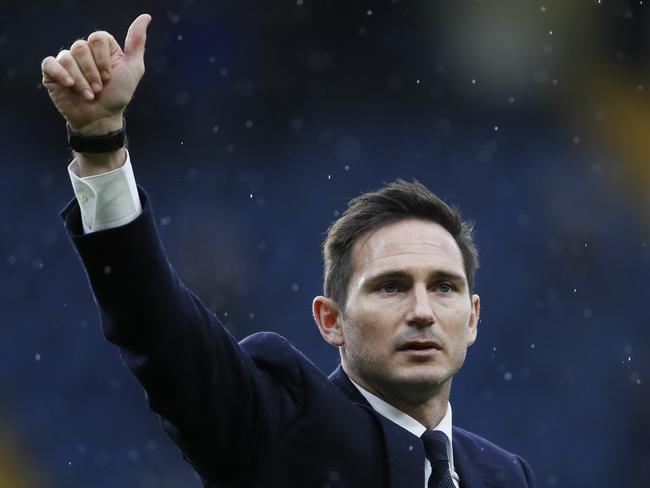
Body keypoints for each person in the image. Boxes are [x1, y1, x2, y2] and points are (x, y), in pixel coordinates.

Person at [42, 14, 535, 488]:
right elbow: (157, 325)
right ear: (331, 320)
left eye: (444, 287)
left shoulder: (504, 475)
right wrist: (101, 142)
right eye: (391, 286)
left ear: (471, 319)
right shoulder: (278, 422)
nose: (423, 312)